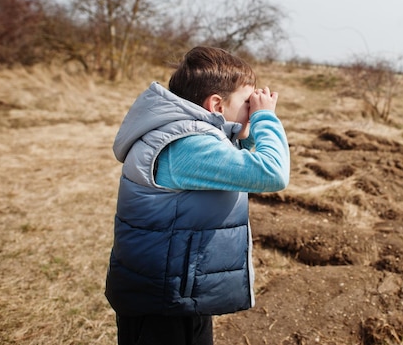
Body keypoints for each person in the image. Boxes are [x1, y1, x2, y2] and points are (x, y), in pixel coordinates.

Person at [105, 46, 290, 345]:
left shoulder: (190, 134)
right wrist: (265, 118)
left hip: (175, 288)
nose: (252, 108)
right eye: (247, 101)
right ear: (216, 104)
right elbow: (273, 173)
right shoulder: (188, 146)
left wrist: (249, 123)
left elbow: (233, 148)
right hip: (163, 301)